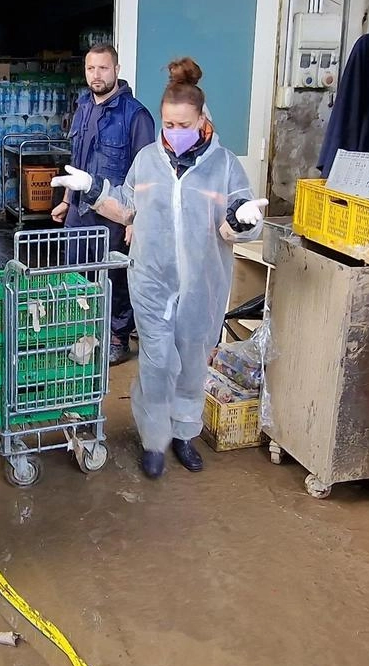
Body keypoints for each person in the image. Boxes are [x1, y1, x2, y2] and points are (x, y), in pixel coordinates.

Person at [53, 57, 267, 479]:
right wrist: (93, 190)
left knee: (190, 361)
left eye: (182, 125)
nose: (174, 133)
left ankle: (185, 433)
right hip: (151, 279)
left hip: (202, 285)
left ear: (202, 119)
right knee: (155, 361)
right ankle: (154, 440)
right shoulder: (148, 160)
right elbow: (127, 209)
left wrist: (242, 220)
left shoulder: (224, 165)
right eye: (168, 125)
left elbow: (233, 222)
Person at [52, 43, 155, 366]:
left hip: (113, 214)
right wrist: (67, 201)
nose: (96, 75)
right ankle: (84, 334)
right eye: (91, 69)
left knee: (115, 277)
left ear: (117, 70)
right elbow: (76, 160)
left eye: (103, 68)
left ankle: (117, 337)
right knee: (76, 274)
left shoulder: (136, 116)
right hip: (79, 213)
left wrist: (135, 220)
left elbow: (147, 175)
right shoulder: (83, 106)